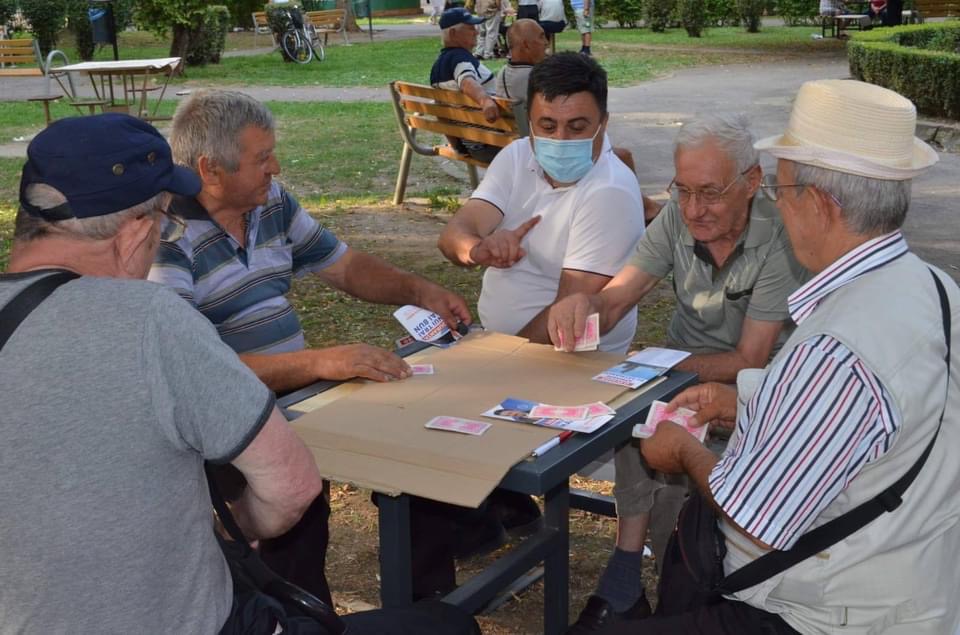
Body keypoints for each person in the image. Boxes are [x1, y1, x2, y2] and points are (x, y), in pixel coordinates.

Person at [0, 113, 480, 635]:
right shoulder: (149, 317)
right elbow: (291, 487)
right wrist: (230, 530)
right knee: (446, 626)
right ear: (136, 234)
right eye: (163, 224)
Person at [630, 79, 957, 634]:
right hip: (913, 585)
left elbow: (753, 515)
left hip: (821, 614)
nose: (777, 208)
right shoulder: (935, 287)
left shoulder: (837, 350)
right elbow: (877, 420)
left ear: (820, 205)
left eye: (781, 192)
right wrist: (743, 400)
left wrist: (683, 451)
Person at [148, 89, 472, 604]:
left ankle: (429, 599)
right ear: (210, 170)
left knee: (412, 446)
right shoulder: (166, 235)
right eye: (262, 158)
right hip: (226, 424)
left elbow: (344, 266)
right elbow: (197, 371)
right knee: (277, 559)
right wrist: (321, 362)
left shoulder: (269, 202)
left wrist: (419, 290)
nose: (275, 168)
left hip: (295, 400)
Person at [549, 114, 807, 634]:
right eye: (682, 190)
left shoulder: (782, 236)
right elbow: (618, 297)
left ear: (752, 181)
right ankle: (630, 578)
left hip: (753, 388)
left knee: (664, 430)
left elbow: (750, 358)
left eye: (709, 193)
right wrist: (584, 306)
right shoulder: (677, 217)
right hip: (680, 368)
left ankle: (655, 587)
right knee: (637, 419)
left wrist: (655, 367)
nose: (693, 209)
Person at [431, 7, 499, 122]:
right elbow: (466, 82)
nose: (476, 32)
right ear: (453, 33)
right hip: (489, 125)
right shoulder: (460, 59)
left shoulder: (439, 64)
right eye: (471, 28)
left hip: (462, 128)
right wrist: (485, 101)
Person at [494, 18, 549, 133]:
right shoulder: (538, 78)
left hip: (509, 138)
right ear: (526, 45)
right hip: (536, 139)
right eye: (541, 37)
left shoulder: (502, 73)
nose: (546, 42)